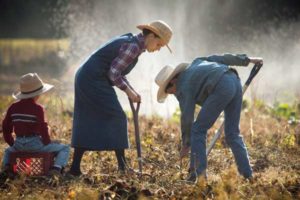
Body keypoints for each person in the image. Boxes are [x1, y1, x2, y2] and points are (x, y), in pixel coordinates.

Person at [69, 20, 173, 176]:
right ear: (152, 36)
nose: (158, 49)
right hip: (93, 79)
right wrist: (128, 92)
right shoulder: (133, 47)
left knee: (88, 119)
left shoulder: (133, 43)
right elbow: (113, 74)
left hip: (86, 76)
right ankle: (123, 168)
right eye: (159, 45)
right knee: (117, 117)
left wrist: (131, 90)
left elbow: (118, 72)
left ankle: (75, 168)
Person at [155, 54, 263, 182]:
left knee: (197, 130)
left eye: (168, 90)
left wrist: (186, 143)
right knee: (233, 133)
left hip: (221, 87)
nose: (171, 94)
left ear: (172, 81)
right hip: (234, 80)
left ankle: (199, 177)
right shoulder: (197, 61)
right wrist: (248, 60)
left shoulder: (182, 87)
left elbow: (187, 117)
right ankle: (248, 175)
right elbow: (224, 58)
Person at [0, 73, 70, 180]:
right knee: (65, 148)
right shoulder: (38, 108)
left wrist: (11, 143)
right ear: (37, 94)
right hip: (35, 144)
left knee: (8, 151)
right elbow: (43, 127)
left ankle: (6, 169)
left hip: (18, 143)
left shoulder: (13, 107)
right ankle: (56, 169)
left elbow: (5, 126)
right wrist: (47, 142)